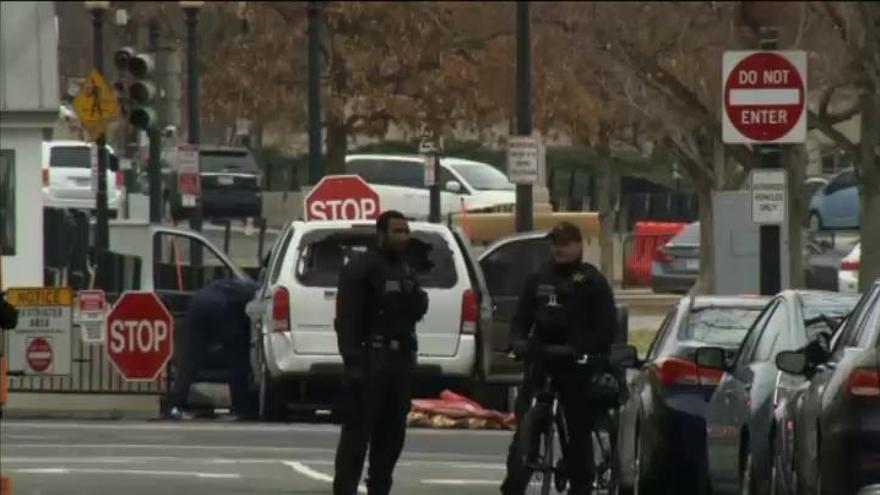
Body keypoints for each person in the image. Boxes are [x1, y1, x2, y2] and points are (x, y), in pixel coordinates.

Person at [500, 221, 618, 495]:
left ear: (578, 245)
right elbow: (520, 320)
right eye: (555, 244)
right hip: (541, 361)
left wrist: (586, 349)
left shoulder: (591, 281)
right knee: (525, 430)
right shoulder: (538, 278)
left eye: (565, 243)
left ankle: (581, 483)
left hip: (576, 365)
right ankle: (517, 477)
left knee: (578, 432)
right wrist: (518, 342)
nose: (559, 249)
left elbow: (606, 329)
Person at [333, 210, 429, 495]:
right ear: (381, 234)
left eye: (406, 231)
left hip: (399, 362)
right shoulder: (361, 268)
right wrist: (353, 361)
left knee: (391, 436)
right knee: (357, 437)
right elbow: (347, 319)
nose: (403, 237)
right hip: (370, 359)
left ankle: (379, 487)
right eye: (397, 231)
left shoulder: (406, 268)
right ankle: (345, 489)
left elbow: (418, 307)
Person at [167, 278, 259, 420]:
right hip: (219, 307)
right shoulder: (258, 293)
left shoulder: (242, 285)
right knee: (237, 359)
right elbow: (250, 323)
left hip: (198, 303)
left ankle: (174, 405)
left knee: (190, 360)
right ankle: (241, 408)